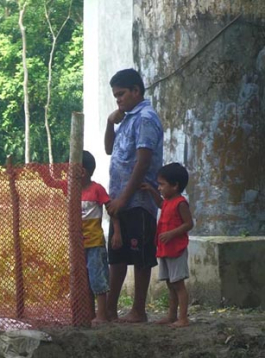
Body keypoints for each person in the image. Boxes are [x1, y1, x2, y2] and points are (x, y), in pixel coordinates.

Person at [104, 68, 163, 323]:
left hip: (137, 200)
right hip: (119, 199)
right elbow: (109, 149)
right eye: (115, 96)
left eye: (121, 94)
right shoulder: (127, 118)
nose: (118, 100)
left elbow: (143, 161)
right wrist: (110, 121)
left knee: (140, 257)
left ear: (136, 91)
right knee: (116, 256)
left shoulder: (146, 118)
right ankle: (108, 310)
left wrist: (124, 199)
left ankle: (138, 310)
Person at [38, 151, 121, 325]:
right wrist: (41, 170)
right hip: (77, 244)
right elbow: (51, 182)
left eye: (70, 169)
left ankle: (102, 315)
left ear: (82, 172)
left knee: (97, 277)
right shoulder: (69, 187)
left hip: (95, 243)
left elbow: (112, 210)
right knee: (83, 278)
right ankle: (89, 313)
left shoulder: (97, 189)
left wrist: (117, 233)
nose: (67, 173)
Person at [141, 163, 193, 327]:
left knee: (178, 285)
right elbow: (160, 204)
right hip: (166, 250)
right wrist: (151, 190)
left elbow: (189, 224)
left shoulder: (180, 203)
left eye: (162, 184)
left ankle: (183, 317)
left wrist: (172, 233)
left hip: (176, 249)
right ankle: (171, 316)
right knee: (171, 285)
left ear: (175, 185)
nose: (160, 187)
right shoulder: (168, 201)